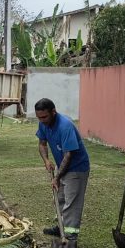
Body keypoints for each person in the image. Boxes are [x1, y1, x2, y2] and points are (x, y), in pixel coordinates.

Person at [35, 98, 90, 240]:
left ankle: (70, 235)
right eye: (39, 117)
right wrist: (46, 160)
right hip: (62, 165)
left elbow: (68, 155)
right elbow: (42, 143)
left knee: (72, 203)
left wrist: (57, 177)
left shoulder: (65, 126)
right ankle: (61, 227)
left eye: (44, 117)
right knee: (60, 199)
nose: (42, 121)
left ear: (53, 112)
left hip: (76, 168)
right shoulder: (43, 123)